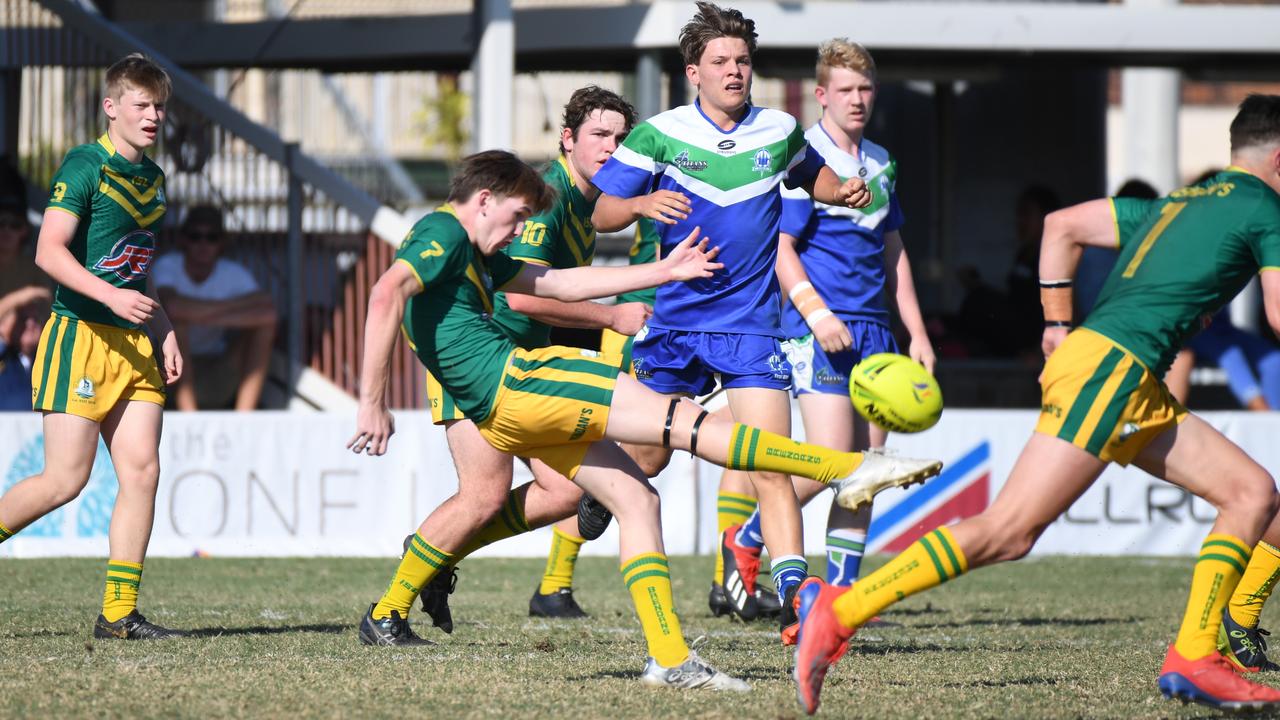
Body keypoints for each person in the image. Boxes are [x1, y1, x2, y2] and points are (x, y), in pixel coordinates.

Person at [349, 149, 941, 692]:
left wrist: (660, 272)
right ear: (484, 199)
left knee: (637, 501)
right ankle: (851, 468)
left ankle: (669, 658)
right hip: (521, 383)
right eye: (515, 217)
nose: (516, 233)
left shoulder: (480, 253)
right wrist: (372, 400)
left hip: (506, 413)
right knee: (687, 424)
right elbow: (385, 294)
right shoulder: (444, 229)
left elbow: (555, 281)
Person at [793, 93, 1280, 714]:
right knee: (1008, 532)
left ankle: (1196, 655)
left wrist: (1055, 324)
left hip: (1117, 372)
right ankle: (840, 609)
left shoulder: (1176, 205)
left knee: (1252, 493)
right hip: (1114, 371)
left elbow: (1061, 227)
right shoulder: (1265, 204)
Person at [590, 1, 915, 640]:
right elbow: (601, 212)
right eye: (721, 62)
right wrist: (641, 201)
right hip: (676, 324)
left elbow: (809, 177)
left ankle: (796, 595)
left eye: (743, 61)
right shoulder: (659, 133)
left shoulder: (779, 129)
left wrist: (839, 191)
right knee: (648, 461)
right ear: (694, 71)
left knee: (772, 462)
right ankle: (594, 487)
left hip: (753, 327)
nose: (735, 71)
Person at [714, 39, 936, 636]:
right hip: (819, 329)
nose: (857, 99)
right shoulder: (804, 158)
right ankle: (749, 539)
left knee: (868, 467)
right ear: (821, 96)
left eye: (865, 89)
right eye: (845, 90)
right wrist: (817, 315)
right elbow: (782, 253)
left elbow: (894, 254)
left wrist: (915, 331)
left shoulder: (883, 162)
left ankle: (839, 604)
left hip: (874, 332)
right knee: (839, 461)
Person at [407, 86, 649, 629]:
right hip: (481, 363)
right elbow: (523, 293)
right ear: (568, 139)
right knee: (483, 497)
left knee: (562, 492)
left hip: (526, 362)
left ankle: (438, 554)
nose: (611, 148)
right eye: (599, 136)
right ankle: (397, 599)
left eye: (620, 138)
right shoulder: (550, 196)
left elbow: (563, 285)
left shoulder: (585, 201)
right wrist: (610, 316)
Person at [0, 53, 184, 639]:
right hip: (78, 337)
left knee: (143, 472)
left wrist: (165, 327)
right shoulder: (84, 164)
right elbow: (48, 253)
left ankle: (118, 615)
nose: (153, 115)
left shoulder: (153, 179)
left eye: (159, 107)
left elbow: (137, 270)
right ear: (111, 107)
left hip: (133, 341)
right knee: (64, 480)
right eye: (142, 104)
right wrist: (110, 299)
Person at [151, 205, 276, 411]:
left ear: (222, 242)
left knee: (263, 328)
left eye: (212, 237)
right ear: (183, 239)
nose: (203, 243)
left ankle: (245, 417)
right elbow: (172, 307)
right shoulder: (168, 265)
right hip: (165, 371)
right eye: (195, 236)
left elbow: (268, 313)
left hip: (216, 370)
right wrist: (232, 310)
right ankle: (190, 415)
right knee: (177, 324)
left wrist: (196, 313)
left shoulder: (232, 272)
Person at [0, 291, 52, 410]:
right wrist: (23, 294)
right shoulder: (3, 355)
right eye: (23, 319)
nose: (30, 324)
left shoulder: (49, 359)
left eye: (35, 319)